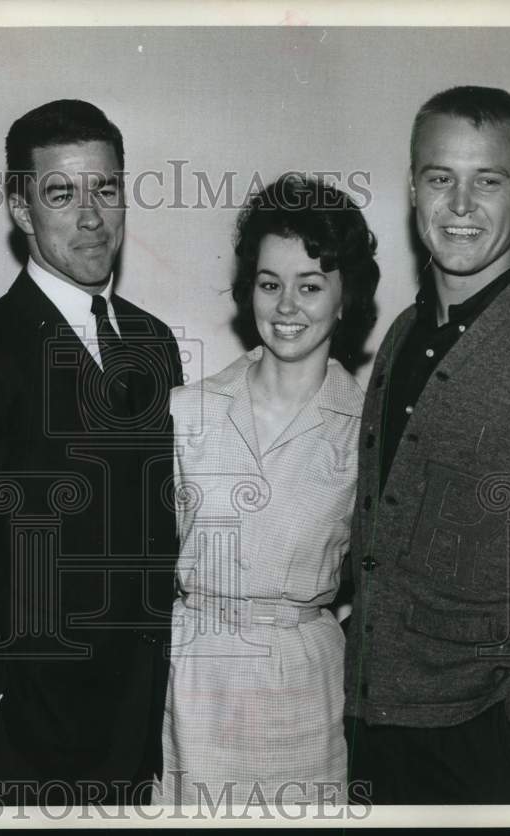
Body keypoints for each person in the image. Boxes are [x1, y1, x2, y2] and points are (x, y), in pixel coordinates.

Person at [343, 85, 510, 804]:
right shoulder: (401, 332)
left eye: (487, 179)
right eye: (440, 178)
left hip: (486, 744)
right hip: (375, 728)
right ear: (411, 189)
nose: (460, 206)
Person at [0, 99, 182, 806]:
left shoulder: (155, 344)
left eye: (106, 189)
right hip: (23, 739)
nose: (91, 217)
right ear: (21, 209)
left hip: (141, 724)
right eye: (62, 194)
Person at [160, 175, 379, 806]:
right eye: (269, 283)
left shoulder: (367, 430)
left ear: (345, 299)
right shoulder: (188, 411)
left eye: (311, 286)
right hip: (196, 681)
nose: (287, 306)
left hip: (305, 688)